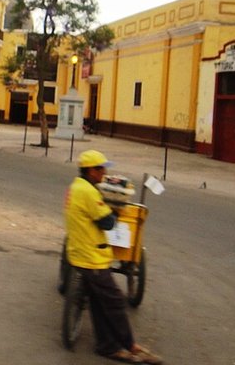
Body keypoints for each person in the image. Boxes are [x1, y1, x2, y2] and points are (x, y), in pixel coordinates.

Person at [64, 149, 162, 364]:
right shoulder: (89, 193)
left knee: (99, 302)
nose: (104, 173)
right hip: (91, 257)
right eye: (101, 169)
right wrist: (115, 211)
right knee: (115, 301)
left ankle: (107, 346)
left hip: (78, 251)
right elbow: (108, 223)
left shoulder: (75, 187)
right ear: (91, 171)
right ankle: (130, 346)